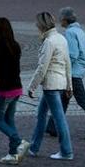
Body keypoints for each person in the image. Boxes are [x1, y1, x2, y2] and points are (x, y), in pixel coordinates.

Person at [46, 8, 85, 141]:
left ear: (65, 19)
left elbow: (72, 54)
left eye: (61, 18)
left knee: (83, 102)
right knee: (63, 100)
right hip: (79, 71)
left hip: (72, 73)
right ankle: (52, 126)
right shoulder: (80, 31)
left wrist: (61, 68)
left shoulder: (70, 33)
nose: (60, 20)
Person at [26, 11, 74, 159]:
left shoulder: (49, 42)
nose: (36, 27)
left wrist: (32, 86)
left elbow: (42, 67)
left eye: (37, 25)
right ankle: (33, 148)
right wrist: (69, 86)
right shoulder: (61, 38)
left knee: (58, 118)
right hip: (59, 83)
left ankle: (66, 151)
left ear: (42, 25)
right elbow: (68, 64)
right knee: (41, 114)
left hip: (51, 85)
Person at [0, 16, 29, 164]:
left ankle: (18, 141)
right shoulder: (15, 45)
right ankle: (13, 154)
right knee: (9, 120)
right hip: (17, 88)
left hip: (5, 91)